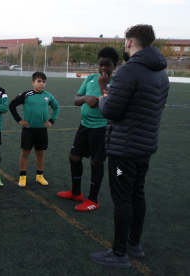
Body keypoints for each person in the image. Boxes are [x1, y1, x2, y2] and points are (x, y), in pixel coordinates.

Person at [89, 24, 169, 268]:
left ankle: (119, 252)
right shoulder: (161, 72)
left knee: (123, 197)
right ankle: (135, 243)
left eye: (125, 41)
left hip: (125, 148)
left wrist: (104, 97)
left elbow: (111, 110)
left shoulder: (128, 71)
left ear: (130, 42)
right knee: (137, 194)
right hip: (145, 146)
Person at [57, 47, 119, 212]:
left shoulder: (117, 82)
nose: (104, 68)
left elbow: (113, 106)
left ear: (115, 66)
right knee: (74, 157)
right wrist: (85, 98)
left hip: (102, 128)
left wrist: (103, 86)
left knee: (96, 162)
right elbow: (76, 100)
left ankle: (93, 200)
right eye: (101, 64)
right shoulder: (91, 78)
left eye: (108, 65)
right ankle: (76, 193)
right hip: (85, 125)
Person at [9, 72, 60, 188]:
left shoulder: (48, 96)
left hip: (42, 130)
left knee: (40, 153)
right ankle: (22, 176)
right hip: (28, 130)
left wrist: (52, 120)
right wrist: (19, 120)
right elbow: (12, 105)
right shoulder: (26, 95)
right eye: (39, 81)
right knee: (25, 153)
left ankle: (39, 175)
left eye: (43, 81)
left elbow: (56, 107)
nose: (41, 84)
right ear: (33, 83)